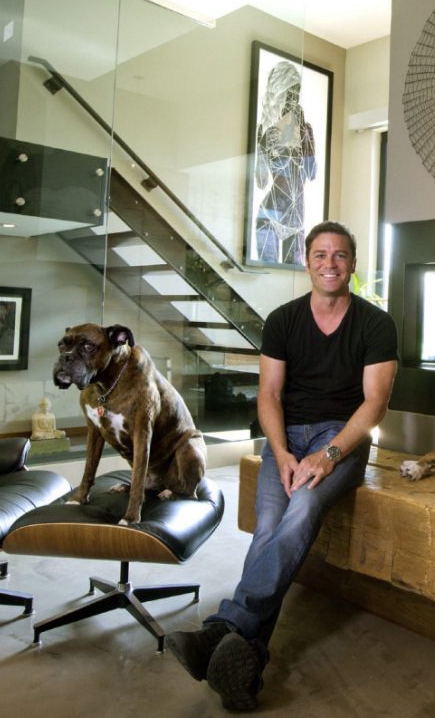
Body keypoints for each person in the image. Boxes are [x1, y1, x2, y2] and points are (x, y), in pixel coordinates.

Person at [166, 221, 398, 710]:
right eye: (320, 255)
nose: (330, 263)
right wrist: (284, 452)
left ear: (352, 264)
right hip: (285, 438)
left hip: (342, 439)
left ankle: (224, 628)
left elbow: (374, 404)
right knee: (269, 525)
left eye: (339, 255)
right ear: (307, 263)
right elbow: (269, 395)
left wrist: (329, 455)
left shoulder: (376, 325)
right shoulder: (283, 320)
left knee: (300, 510)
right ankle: (243, 662)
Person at [252, 61, 317, 266]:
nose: (294, 100)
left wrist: (307, 142)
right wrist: (263, 145)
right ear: (278, 94)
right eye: (289, 93)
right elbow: (261, 182)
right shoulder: (266, 131)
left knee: (294, 275)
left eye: (297, 93)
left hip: (296, 218)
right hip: (270, 214)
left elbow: (312, 174)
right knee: (269, 275)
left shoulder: (305, 129)